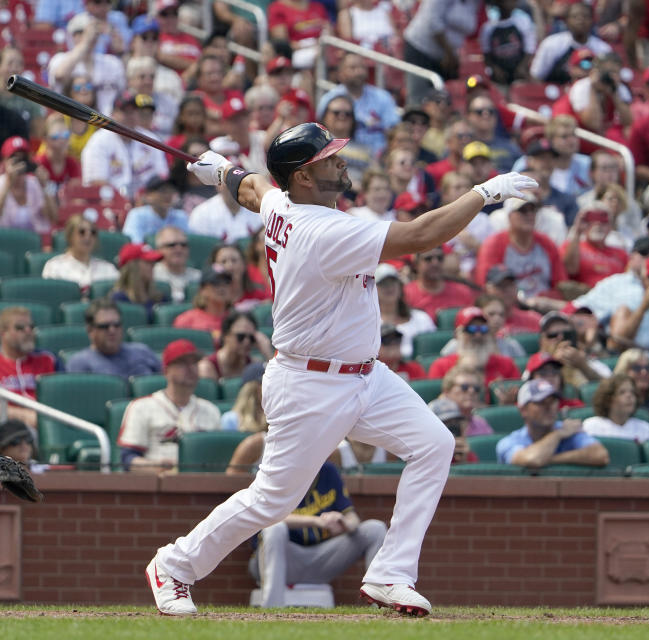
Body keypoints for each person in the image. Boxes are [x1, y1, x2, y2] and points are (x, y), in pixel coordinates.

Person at [143, 121, 538, 616]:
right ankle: (173, 565)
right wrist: (483, 193)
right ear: (304, 177)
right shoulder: (323, 228)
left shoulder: (288, 203)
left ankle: (391, 574)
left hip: (364, 375)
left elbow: (255, 189)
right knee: (271, 500)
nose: (340, 161)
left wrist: (224, 170)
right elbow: (419, 235)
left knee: (434, 445)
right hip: (309, 382)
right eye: (328, 158)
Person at [249, 462, 387, 607]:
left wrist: (344, 523)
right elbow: (267, 518)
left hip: (319, 558)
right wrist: (316, 521)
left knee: (375, 529)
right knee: (275, 528)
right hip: (279, 559)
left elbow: (353, 519)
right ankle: (272, 608)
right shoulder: (274, 471)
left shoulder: (328, 471)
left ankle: (379, 608)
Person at [117, 339, 221, 474]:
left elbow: (219, 458)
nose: (191, 368)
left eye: (194, 363)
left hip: (200, 483)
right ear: (166, 370)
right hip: (157, 485)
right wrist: (153, 466)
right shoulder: (141, 407)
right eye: (183, 363)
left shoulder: (211, 411)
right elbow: (127, 459)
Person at [0, 307, 61, 432]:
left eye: (31, 327)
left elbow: (64, 398)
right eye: (20, 328)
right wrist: (25, 416)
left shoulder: (49, 358)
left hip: (50, 425)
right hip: (10, 429)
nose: (28, 331)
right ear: (3, 333)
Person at [496, 379, 609, 468]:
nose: (549, 407)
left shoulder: (568, 431)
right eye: (541, 402)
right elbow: (532, 459)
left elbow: (601, 455)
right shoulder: (510, 441)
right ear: (523, 410)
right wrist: (557, 435)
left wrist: (551, 459)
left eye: (553, 401)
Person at [401, 0, 483, 105]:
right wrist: (449, 53)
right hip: (420, 50)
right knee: (419, 100)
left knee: (446, 101)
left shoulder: (475, 3)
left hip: (447, 58)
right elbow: (433, 22)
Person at [316, 53, 399, 157]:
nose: (359, 72)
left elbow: (394, 130)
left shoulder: (382, 97)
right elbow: (321, 131)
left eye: (362, 67)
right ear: (340, 73)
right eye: (353, 68)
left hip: (378, 158)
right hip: (341, 155)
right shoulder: (330, 99)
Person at [47, 12, 126, 115]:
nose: (90, 36)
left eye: (94, 32)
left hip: (107, 125)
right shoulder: (60, 58)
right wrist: (85, 43)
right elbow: (60, 75)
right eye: (82, 32)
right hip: (72, 121)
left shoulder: (112, 63)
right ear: (73, 35)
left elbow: (122, 94)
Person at [427, 306, 521, 388]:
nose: (478, 335)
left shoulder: (507, 365)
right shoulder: (441, 366)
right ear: (457, 334)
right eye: (471, 329)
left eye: (483, 329)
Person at [65, 299, 161, 378]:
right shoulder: (79, 362)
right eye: (104, 326)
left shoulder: (142, 351)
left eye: (116, 325)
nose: (112, 330)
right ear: (90, 330)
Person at [0, 136, 56, 233]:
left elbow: (53, 218)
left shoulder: (35, 183)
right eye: (15, 159)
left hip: (33, 243)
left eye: (23, 158)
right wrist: (8, 184)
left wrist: (45, 186)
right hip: (2, 242)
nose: (20, 164)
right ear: (4, 161)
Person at [529, 1, 611, 83]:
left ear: (592, 21)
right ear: (566, 21)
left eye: (585, 16)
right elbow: (536, 76)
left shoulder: (603, 49)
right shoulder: (551, 44)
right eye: (575, 16)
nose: (580, 20)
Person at [42, 215, 119, 293]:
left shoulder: (108, 268)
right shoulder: (54, 267)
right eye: (82, 232)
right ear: (70, 236)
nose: (88, 237)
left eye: (93, 232)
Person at [375, 263, 435, 360]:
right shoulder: (368, 324)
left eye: (393, 282)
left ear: (400, 286)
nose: (389, 287)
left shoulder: (421, 318)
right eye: (383, 283)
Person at [440, 294, 526, 360]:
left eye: (501, 315)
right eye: (491, 314)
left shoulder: (512, 345)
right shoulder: (455, 345)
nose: (497, 319)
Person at [403, 247, 476, 322]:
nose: (435, 263)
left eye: (440, 258)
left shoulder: (462, 292)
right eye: (428, 259)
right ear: (416, 264)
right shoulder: (406, 294)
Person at [197, 311, 272, 380]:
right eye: (241, 337)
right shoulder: (208, 367)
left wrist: (267, 353)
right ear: (225, 336)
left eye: (252, 338)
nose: (247, 342)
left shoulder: (254, 365)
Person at [582, 375, 649, 443]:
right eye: (622, 392)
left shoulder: (645, 428)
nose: (629, 396)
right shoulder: (591, 426)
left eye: (632, 392)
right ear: (608, 399)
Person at [122, 176, 188, 244]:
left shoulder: (181, 216)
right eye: (163, 191)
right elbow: (133, 244)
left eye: (171, 190)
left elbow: (188, 243)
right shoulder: (137, 215)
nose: (168, 195)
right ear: (148, 195)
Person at [111, 242, 167, 323]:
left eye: (153, 262)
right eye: (148, 262)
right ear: (133, 267)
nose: (152, 266)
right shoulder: (119, 299)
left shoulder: (160, 297)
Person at [207, 243, 271, 310]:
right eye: (223, 262)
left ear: (244, 265)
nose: (229, 266)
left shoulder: (260, 295)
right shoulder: (210, 298)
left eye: (234, 260)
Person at [151, 226, 200, 303]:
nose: (179, 249)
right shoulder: (152, 275)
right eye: (172, 245)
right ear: (159, 249)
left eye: (183, 245)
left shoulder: (198, 277)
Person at [427, 397, 478, 464]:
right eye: (445, 423)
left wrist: (463, 459)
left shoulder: (465, 452)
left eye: (456, 423)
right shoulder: (426, 453)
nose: (452, 427)